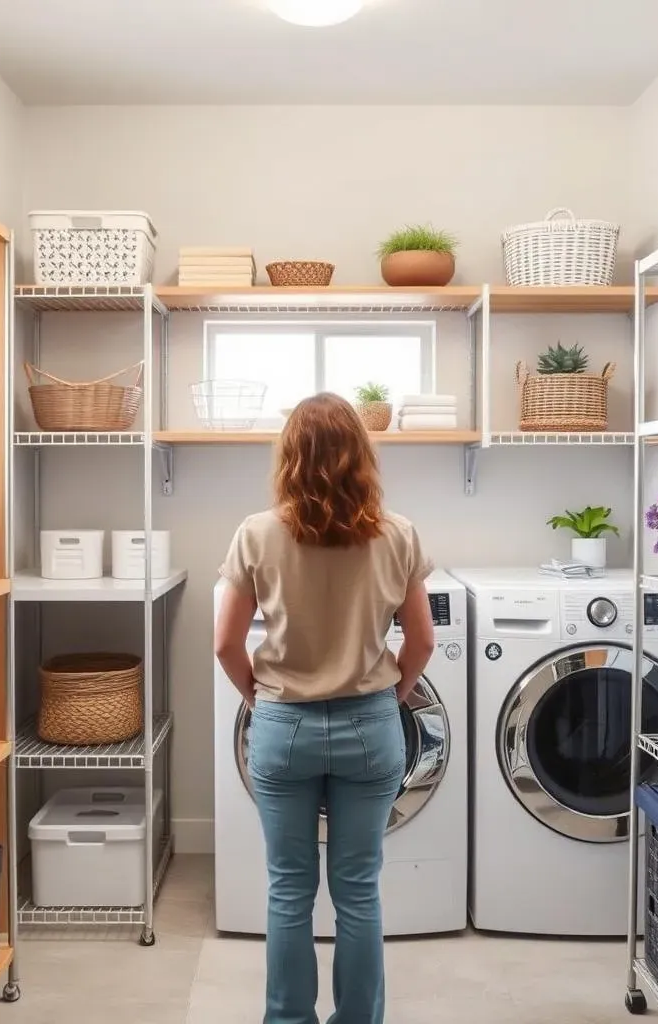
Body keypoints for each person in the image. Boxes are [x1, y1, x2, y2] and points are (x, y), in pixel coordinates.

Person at [214, 392, 435, 1024]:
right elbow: (421, 639)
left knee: (289, 890)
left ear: (290, 456)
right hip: (370, 726)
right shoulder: (398, 534)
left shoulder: (256, 533)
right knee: (358, 891)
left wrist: (260, 701)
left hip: (284, 727)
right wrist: (392, 695)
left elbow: (226, 643)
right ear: (360, 456)